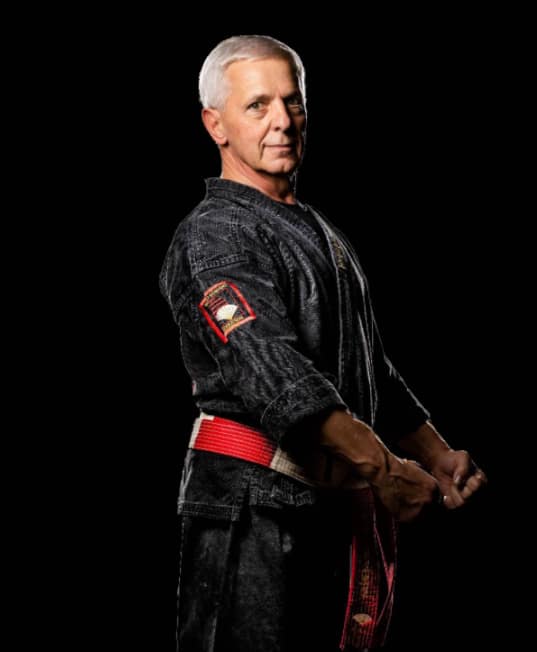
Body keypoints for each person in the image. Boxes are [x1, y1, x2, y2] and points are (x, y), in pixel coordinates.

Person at [159, 35, 487, 652]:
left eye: (293, 102)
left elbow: (367, 367)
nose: (282, 121)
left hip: (327, 511)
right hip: (252, 515)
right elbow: (276, 373)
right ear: (215, 124)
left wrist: (435, 453)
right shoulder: (214, 235)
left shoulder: (316, 228)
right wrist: (386, 469)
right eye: (257, 105)